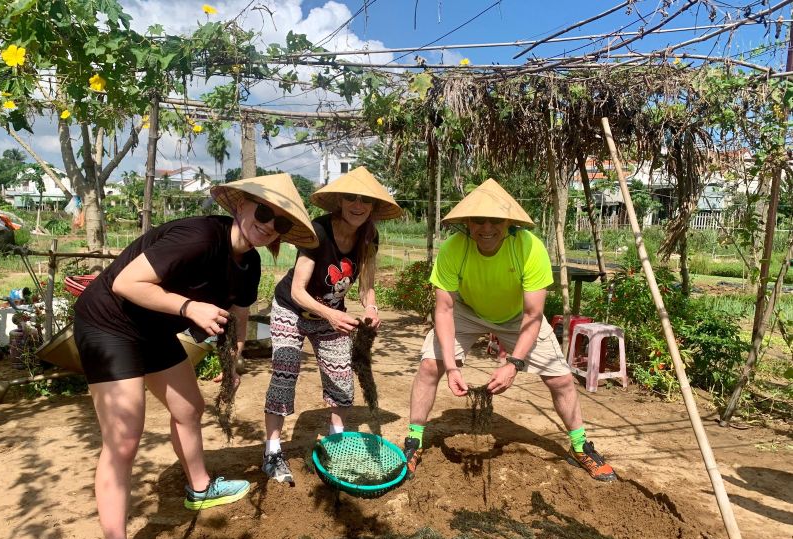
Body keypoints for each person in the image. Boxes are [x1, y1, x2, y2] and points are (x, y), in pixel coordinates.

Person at [73, 174, 317, 539]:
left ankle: (200, 488)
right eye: (264, 212)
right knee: (124, 439)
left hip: (152, 327)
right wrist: (189, 307)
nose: (268, 225)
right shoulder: (198, 236)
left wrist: (233, 360)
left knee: (190, 407)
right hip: (109, 322)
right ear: (241, 205)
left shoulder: (250, 263)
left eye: (279, 223)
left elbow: (239, 314)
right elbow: (125, 284)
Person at [404, 178, 617, 483]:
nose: (486, 227)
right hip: (467, 310)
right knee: (428, 366)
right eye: (478, 219)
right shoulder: (454, 249)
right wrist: (451, 367)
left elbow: (533, 314)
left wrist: (513, 363)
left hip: (518, 315)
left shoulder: (529, 249)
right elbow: (444, 309)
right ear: (466, 222)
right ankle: (413, 441)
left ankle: (581, 446)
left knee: (561, 379)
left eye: (495, 220)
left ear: (508, 222)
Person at [262, 167, 402, 483]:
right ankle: (272, 451)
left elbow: (366, 286)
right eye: (351, 197)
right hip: (292, 309)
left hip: (332, 312)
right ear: (339, 200)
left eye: (365, 200)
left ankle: (336, 439)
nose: (357, 205)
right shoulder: (319, 232)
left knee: (341, 377)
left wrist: (371, 307)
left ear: (373, 207)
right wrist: (330, 315)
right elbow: (298, 290)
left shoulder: (369, 236)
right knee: (285, 370)